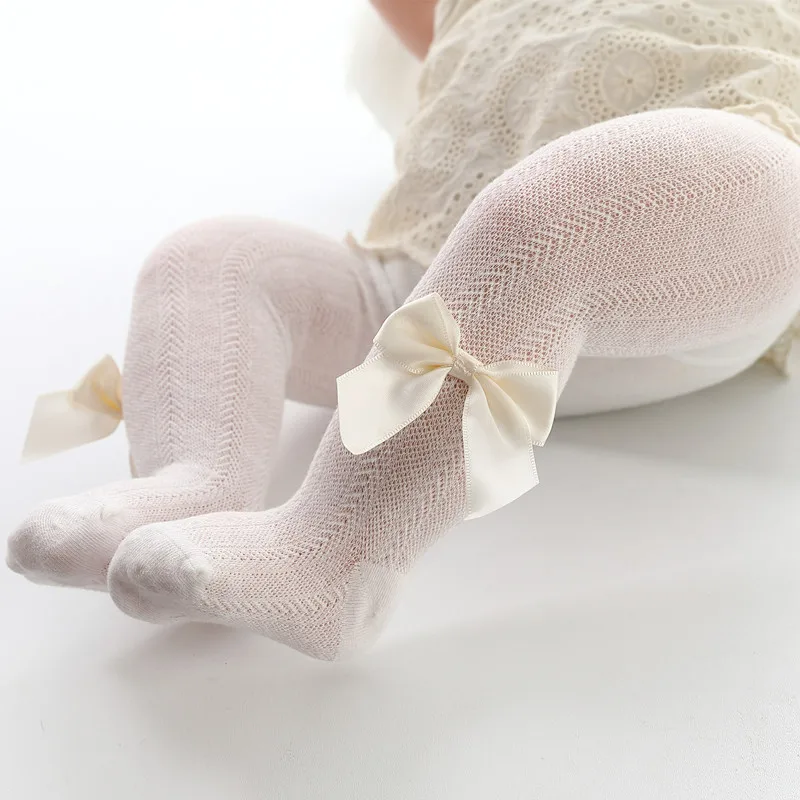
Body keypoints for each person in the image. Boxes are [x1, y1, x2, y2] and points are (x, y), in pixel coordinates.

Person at [8, 0, 800, 660]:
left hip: (724, 194)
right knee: (213, 258)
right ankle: (195, 481)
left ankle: (336, 560)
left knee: (565, 206)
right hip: (449, 262)